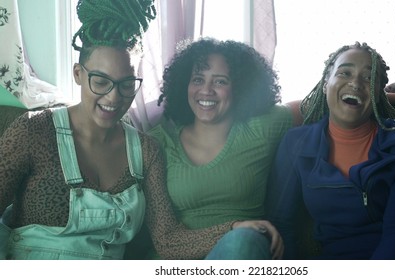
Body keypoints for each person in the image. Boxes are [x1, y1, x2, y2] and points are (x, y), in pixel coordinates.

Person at [0, 0, 268, 260]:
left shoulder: (145, 150)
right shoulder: (33, 131)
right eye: (101, 81)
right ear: (78, 74)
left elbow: (168, 241)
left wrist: (233, 228)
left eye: (126, 84)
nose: (114, 97)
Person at [266, 42, 395, 259]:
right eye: (344, 72)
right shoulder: (295, 143)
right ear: (324, 84)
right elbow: (280, 224)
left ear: (378, 93)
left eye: (368, 78)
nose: (356, 83)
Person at [147, 37, 301, 260]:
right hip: (176, 262)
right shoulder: (158, 143)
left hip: (244, 251)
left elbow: (322, 104)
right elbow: (166, 242)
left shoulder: (262, 128)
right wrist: (234, 226)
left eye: (220, 81)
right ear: (184, 85)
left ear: (239, 87)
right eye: (198, 79)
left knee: (241, 242)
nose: (206, 90)